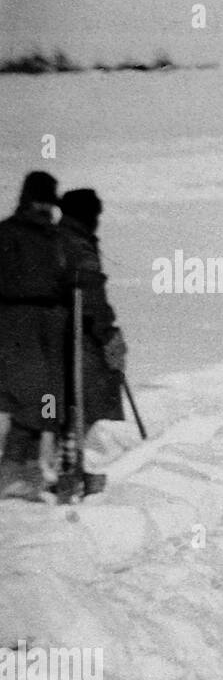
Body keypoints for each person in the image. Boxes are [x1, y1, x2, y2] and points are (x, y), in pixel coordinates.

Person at [54, 188, 127, 497]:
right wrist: (109, 335)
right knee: (84, 397)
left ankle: (60, 464)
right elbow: (92, 297)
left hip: (45, 333)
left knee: (56, 402)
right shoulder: (79, 245)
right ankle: (69, 470)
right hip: (75, 334)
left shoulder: (53, 238)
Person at [0, 172, 67, 500]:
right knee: (31, 395)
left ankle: (28, 467)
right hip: (19, 322)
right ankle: (13, 469)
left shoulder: (54, 237)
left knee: (46, 399)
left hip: (48, 324)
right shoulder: (9, 234)